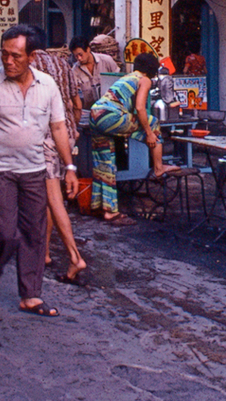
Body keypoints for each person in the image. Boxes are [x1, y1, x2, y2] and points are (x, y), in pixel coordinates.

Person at [0, 24, 79, 318]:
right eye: (4, 54)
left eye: (16, 56)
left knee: (35, 234)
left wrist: (70, 167)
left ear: (32, 56)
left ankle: (31, 296)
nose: (8, 61)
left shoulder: (47, 85)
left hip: (35, 169)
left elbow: (59, 127)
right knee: (3, 232)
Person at [89, 52, 182, 225]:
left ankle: (104, 209)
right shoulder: (144, 79)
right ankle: (159, 167)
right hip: (111, 115)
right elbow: (140, 108)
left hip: (96, 115)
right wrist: (148, 133)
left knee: (104, 162)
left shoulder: (128, 77)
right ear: (152, 69)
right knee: (153, 122)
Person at [28, 42, 88, 286]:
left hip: (45, 136)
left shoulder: (31, 67)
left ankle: (55, 254)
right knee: (52, 196)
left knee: (50, 198)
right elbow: (77, 104)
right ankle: (46, 253)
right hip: (65, 133)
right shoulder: (64, 65)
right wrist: (72, 132)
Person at [69, 35, 120, 113]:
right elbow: (73, 93)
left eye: (81, 54)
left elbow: (120, 82)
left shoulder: (107, 61)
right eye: (76, 56)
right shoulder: (75, 70)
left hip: (111, 110)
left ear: (88, 49)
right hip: (90, 111)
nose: (79, 58)